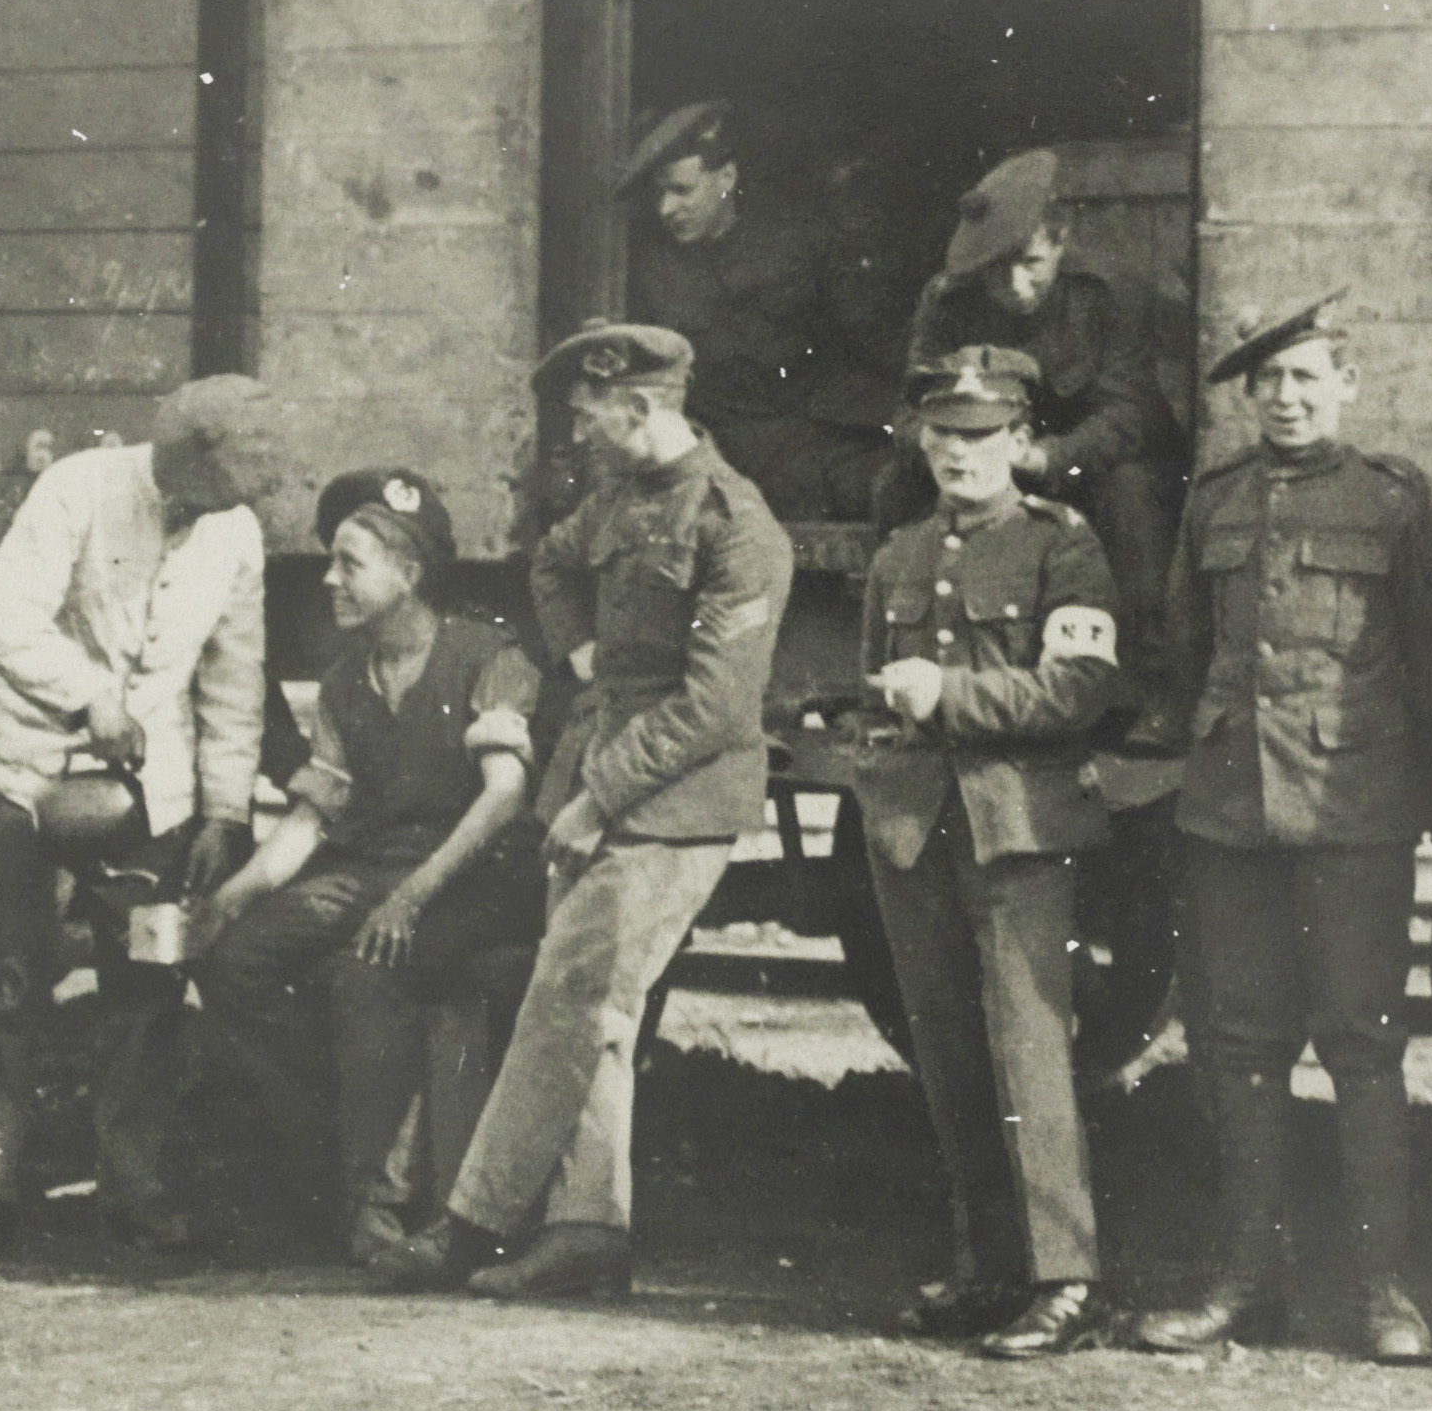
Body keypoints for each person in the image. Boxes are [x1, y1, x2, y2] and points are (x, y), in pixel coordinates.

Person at [380, 320, 789, 1304]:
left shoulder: (736, 524)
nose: (577, 433)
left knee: (568, 998)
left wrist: (598, 796)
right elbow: (553, 564)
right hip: (601, 777)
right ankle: (586, 1229)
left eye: (589, 414)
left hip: (671, 802)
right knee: (593, 1012)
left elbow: (715, 707)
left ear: (640, 408)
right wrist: (576, 657)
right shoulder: (617, 495)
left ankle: (470, 1225)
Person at [1130, 296, 1432, 1362]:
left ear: (1347, 385)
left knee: (1363, 1046)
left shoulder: (1392, 502)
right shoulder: (1216, 500)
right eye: (1268, 382)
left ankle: (1381, 1288)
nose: (1287, 398)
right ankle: (1244, 1282)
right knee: (1237, 1047)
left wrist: (1391, 788)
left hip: (1350, 809)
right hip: (1230, 808)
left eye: (1308, 378)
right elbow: (1184, 641)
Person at [0, 380, 275, 1258]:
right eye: (205, 494)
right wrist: (90, 695)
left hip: (155, 809)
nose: (211, 514)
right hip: (25, 783)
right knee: (2, 983)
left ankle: (132, 1188)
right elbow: (3, 621)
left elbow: (234, 678)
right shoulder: (77, 489)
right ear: (182, 457)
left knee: (148, 984)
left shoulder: (236, 532)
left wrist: (224, 806)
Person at [169, 467, 544, 1267]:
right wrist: (234, 897)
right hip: (379, 874)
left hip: (473, 880)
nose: (330, 580)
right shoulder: (345, 682)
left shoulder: (488, 656)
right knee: (236, 961)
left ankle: (373, 1199)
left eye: (351, 562)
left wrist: (411, 898)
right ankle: (321, 1152)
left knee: (366, 972)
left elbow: (503, 799)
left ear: (409, 574)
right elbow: (315, 816)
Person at [839, 347, 1132, 1361]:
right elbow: (875, 685)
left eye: (982, 434)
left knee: (1028, 1050)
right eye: (943, 434)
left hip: (1016, 825)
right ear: (921, 442)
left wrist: (950, 696)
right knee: (949, 1049)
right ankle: (990, 1267)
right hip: (917, 826)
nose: (961, 452)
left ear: (1018, 440)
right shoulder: (901, 553)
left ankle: (1065, 1276)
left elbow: (1077, 689)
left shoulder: (1064, 544)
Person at [892, 147, 1180, 603]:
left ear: (1059, 241)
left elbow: (1127, 417)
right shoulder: (948, 301)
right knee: (896, 486)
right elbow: (912, 409)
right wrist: (947, 446)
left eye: (1031, 264)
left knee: (1132, 494)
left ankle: (1141, 647)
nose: (1015, 286)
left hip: (1082, 463)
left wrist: (1046, 458)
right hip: (982, 458)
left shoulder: (1108, 294)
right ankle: (914, 629)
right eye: (996, 270)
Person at [616, 100, 895, 522]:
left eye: (681, 190)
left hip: (815, 458)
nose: (665, 209)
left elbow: (871, 343)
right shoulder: (650, 275)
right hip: (720, 470)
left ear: (725, 178)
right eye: (658, 194)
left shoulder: (796, 249)